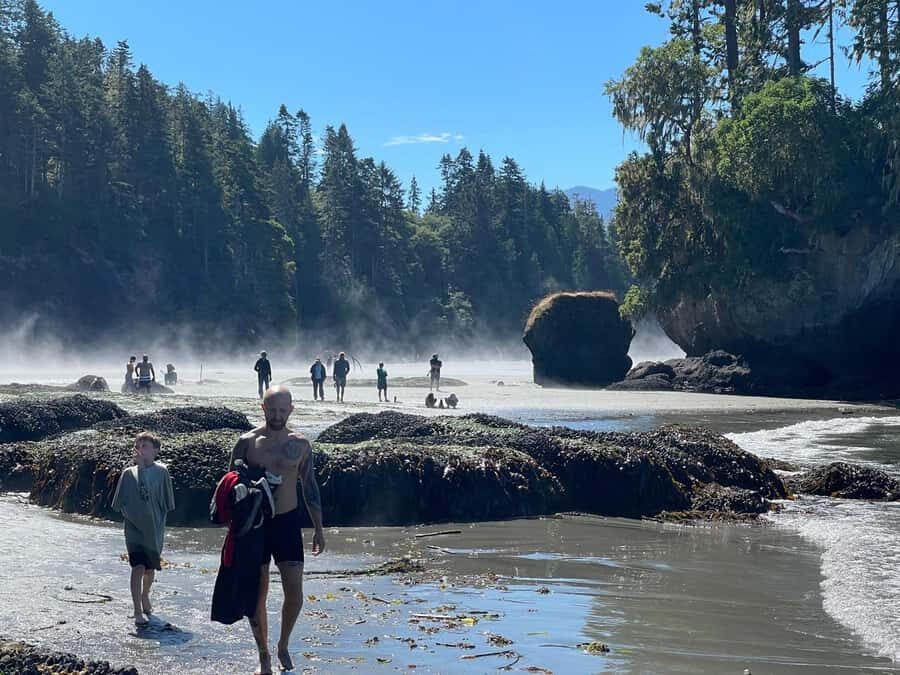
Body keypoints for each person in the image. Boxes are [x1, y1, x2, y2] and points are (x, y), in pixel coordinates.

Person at [228, 386, 325, 675]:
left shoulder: (301, 444)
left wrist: (319, 528)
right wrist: (232, 527)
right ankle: (263, 655)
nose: (277, 416)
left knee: (294, 592)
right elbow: (229, 487)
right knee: (257, 593)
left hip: (287, 523)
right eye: (272, 410)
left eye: (283, 410)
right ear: (263, 408)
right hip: (255, 526)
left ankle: (283, 644)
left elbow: (310, 488)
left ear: (291, 410)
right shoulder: (247, 442)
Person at [111, 432, 175, 627]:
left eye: (145, 445)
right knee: (137, 567)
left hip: (154, 529)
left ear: (156, 450)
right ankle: (137, 609)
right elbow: (118, 503)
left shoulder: (162, 472)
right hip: (133, 529)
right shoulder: (128, 473)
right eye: (138, 445)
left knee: (149, 569)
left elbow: (166, 503)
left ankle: (145, 594)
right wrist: (138, 468)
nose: (141, 449)